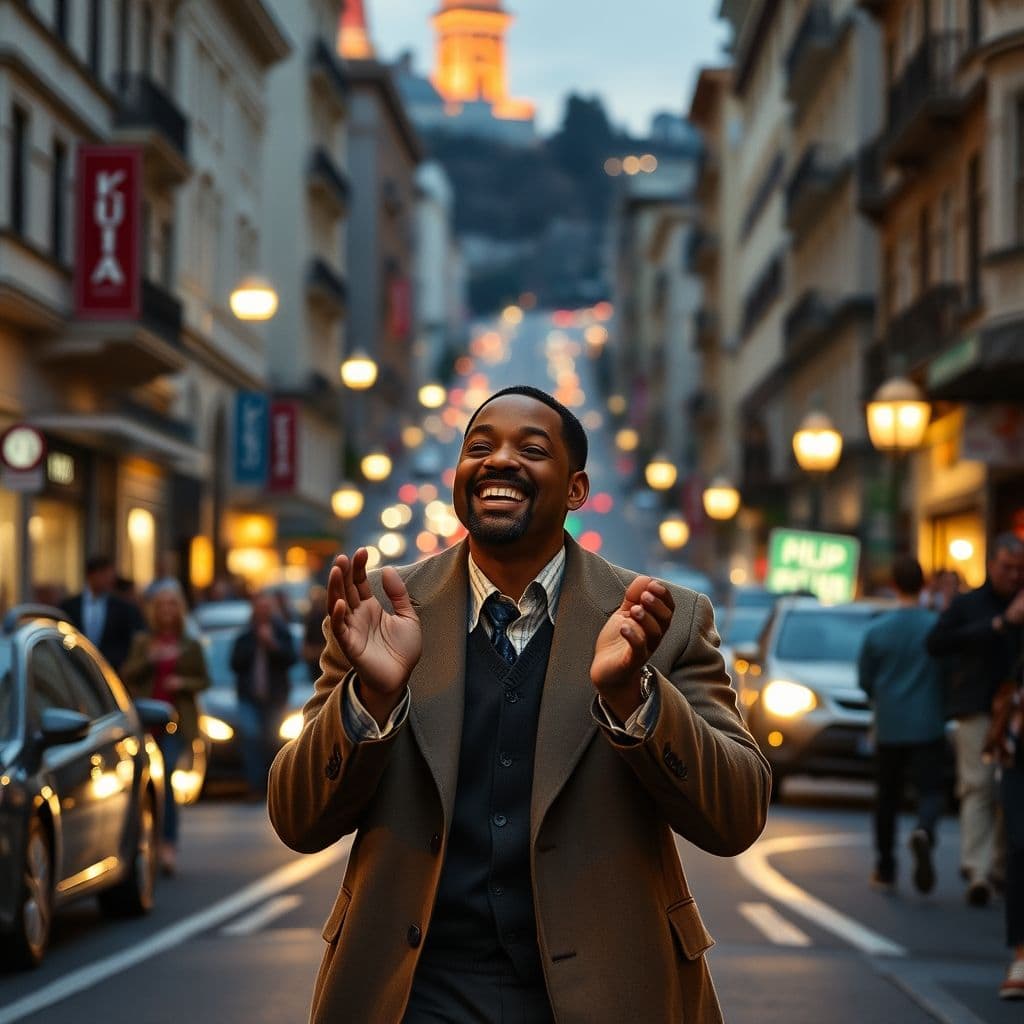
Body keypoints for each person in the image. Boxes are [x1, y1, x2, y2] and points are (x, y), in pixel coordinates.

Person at [269, 386, 770, 1023]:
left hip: (610, 996)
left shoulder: (661, 618)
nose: (499, 460)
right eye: (479, 447)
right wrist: (371, 696)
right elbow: (296, 819)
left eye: (530, 449)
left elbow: (738, 816)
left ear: (576, 490)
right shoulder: (378, 609)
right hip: (416, 996)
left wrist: (634, 698)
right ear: (458, 479)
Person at [927, 533, 1024, 906]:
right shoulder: (969, 604)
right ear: (991, 565)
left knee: (1009, 789)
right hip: (977, 707)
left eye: (1019, 570)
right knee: (978, 785)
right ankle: (978, 870)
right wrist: (1000, 624)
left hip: (1016, 712)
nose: (1014, 576)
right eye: (1007, 568)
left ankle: (998, 866)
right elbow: (936, 643)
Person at [858, 556, 947, 894]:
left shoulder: (878, 630)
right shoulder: (936, 626)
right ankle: (924, 829)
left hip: (891, 723)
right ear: (923, 585)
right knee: (930, 790)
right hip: (928, 722)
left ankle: (885, 866)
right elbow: (948, 671)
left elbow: (865, 679)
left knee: (887, 796)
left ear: (894, 585)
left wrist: (880, 696)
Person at [120, 580, 211, 876]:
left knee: (167, 775)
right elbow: (126, 675)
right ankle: (145, 841)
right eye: (161, 606)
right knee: (144, 781)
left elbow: (203, 679)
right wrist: (149, 660)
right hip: (147, 721)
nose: (167, 611)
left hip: (177, 722)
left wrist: (182, 683)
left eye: (172, 605)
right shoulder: (142, 642)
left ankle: (168, 843)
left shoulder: (190, 644)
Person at [231, 591, 297, 800]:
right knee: (251, 737)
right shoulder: (245, 635)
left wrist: (272, 644)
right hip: (250, 697)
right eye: (259, 607)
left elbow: (291, 658)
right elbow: (235, 663)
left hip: (275, 697)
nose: (263, 611)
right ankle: (254, 785)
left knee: (272, 739)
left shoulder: (282, 632)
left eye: (266, 607)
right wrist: (255, 644)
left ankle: (273, 784)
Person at [62, 555, 146, 673]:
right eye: (106, 575)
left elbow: (129, 639)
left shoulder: (123, 608)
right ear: (92, 575)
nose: (110, 580)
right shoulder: (70, 606)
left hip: (112, 672)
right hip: (76, 670)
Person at [302, 585, 328, 682]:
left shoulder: (327, 616)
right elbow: (307, 637)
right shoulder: (310, 617)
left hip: (323, 654)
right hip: (315, 657)